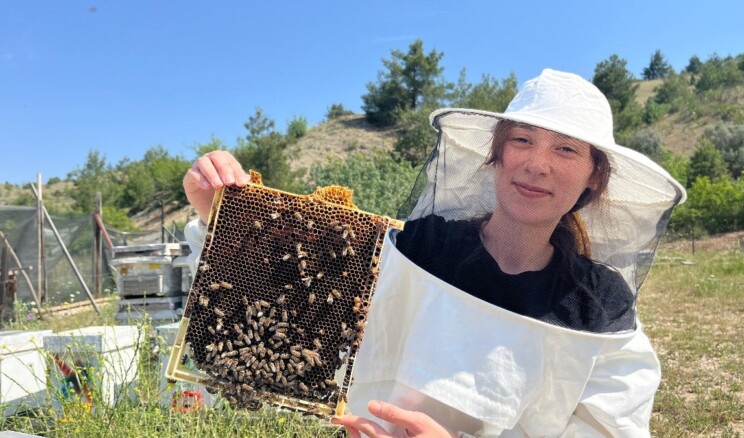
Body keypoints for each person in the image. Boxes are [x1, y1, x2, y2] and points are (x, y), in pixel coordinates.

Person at [183, 69, 686, 437]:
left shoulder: (601, 307)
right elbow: (296, 294)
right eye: (523, 141)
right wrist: (223, 215)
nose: (537, 164)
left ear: (594, 175)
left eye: (566, 150)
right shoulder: (422, 247)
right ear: (497, 154)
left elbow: (609, 430)